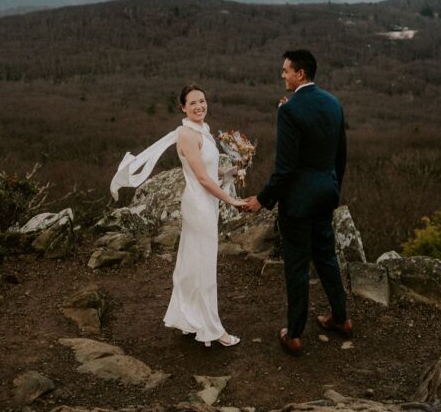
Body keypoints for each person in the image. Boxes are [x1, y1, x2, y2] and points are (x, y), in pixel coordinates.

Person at [111, 84, 245, 347]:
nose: (199, 106)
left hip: (206, 202)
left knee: (194, 263)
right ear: (183, 108)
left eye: (202, 101)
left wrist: (231, 172)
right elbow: (202, 179)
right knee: (204, 267)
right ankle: (213, 329)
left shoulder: (203, 130)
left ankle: (189, 318)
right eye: (192, 103)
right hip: (199, 205)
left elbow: (209, 170)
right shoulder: (186, 135)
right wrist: (232, 200)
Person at [244, 49, 351, 356]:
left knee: (297, 266)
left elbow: (285, 169)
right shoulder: (333, 103)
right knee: (326, 256)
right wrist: (332, 187)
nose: (282, 75)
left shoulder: (289, 110)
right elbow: (340, 155)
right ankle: (341, 318)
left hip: (299, 201)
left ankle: (293, 334)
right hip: (326, 193)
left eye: (286, 70)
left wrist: (262, 200)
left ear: (300, 73)